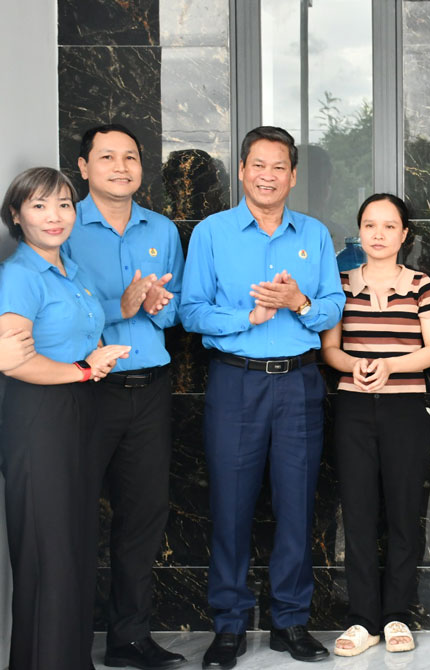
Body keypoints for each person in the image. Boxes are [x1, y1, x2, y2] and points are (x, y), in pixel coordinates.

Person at [179, 126, 345, 668]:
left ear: (292, 176)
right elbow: (190, 310)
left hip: (298, 382)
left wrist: (299, 301)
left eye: (279, 166)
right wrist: (244, 316)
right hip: (236, 381)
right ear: (243, 170)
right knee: (230, 506)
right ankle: (228, 627)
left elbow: (332, 308)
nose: (268, 175)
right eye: (258, 165)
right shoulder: (211, 233)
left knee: (297, 506)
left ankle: (290, 624)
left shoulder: (315, 234)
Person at [64, 123, 186, 670]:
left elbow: (179, 310)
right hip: (84, 390)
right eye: (106, 157)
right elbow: (57, 316)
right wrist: (122, 305)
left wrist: (161, 305)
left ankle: (128, 640)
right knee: (73, 516)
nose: (121, 166)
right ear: (84, 168)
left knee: (142, 518)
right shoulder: (63, 228)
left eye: (131, 157)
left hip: (150, 390)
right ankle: (64, 642)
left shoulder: (161, 227)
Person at [0, 167, 131, 670]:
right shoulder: (20, 276)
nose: (54, 217)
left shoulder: (70, 269)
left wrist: (91, 357)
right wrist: (81, 368)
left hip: (78, 409)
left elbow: (77, 333)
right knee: (47, 552)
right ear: (17, 215)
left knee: (73, 546)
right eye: (38, 206)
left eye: (63, 205)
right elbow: (15, 361)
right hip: (40, 418)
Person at [321, 194, 430, 656]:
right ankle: (361, 620)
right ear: (359, 232)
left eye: (388, 226)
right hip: (353, 409)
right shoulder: (339, 284)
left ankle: (396, 615)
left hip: (405, 411)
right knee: (356, 514)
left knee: (401, 515)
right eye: (370, 225)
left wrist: (391, 367)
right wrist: (351, 365)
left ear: (404, 235)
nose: (378, 234)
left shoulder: (422, 285)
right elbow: (330, 349)